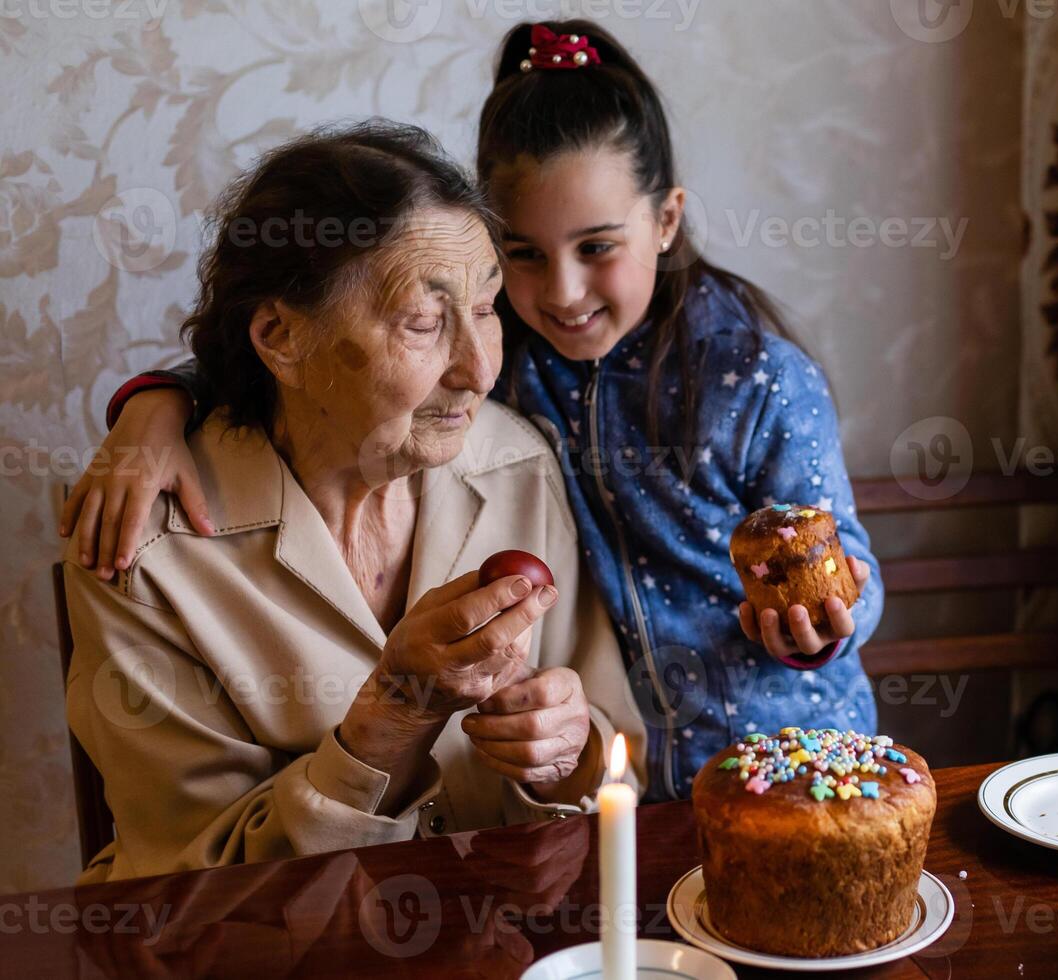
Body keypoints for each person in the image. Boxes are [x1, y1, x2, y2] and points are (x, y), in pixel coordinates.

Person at [67, 21, 882, 802]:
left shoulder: (745, 376)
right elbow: (276, 357)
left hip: (786, 748)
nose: (559, 296)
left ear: (667, 220)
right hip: (640, 800)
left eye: (596, 247)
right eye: (520, 257)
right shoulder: (520, 361)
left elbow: (841, 557)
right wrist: (156, 404)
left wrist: (819, 622)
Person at [62, 121, 644, 882]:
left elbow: (617, 772)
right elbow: (185, 899)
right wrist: (389, 721)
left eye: (488, 308)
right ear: (280, 337)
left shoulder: (514, 464)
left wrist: (567, 757)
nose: (478, 370)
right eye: (425, 323)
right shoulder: (148, 548)